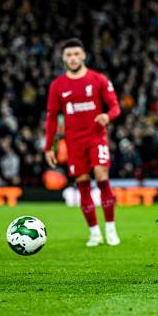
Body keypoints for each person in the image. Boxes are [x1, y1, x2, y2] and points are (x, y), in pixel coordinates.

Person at [44, 38, 121, 247]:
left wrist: (107, 117)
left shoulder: (98, 79)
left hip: (96, 137)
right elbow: (51, 118)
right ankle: (94, 233)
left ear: (84, 55)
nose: (73, 58)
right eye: (69, 55)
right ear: (63, 58)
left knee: (102, 175)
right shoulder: (57, 85)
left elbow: (115, 106)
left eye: (76, 54)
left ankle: (111, 229)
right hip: (74, 142)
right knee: (83, 185)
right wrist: (49, 147)